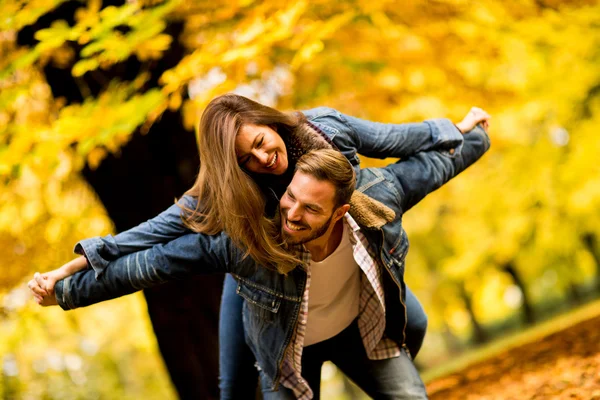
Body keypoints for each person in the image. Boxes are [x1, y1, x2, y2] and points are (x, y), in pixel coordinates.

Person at [29, 94, 490, 398]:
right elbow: (147, 252)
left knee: (415, 323)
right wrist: (67, 280)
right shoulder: (235, 222)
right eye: (247, 161)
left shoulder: (343, 154)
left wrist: (465, 130)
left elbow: (404, 145)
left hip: (350, 305)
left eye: (261, 144)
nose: (263, 160)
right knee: (234, 384)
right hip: (269, 291)